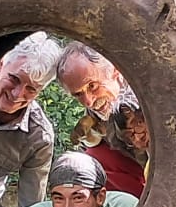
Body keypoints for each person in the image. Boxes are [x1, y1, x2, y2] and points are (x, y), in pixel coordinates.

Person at [0, 33, 60, 207]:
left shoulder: (39, 137)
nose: (17, 94)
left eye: (31, 89)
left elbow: (31, 206)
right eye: (14, 79)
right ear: (0, 65)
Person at [55, 43, 146, 197]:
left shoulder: (142, 99)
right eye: (78, 94)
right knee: (92, 160)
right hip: (133, 169)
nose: (88, 101)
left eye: (92, 86)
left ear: (115, 71)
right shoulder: (97, 105)